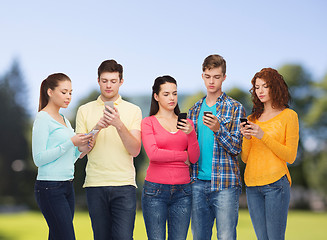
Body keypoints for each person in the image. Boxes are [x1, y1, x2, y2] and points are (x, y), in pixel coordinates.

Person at [75, 59, 142, 240]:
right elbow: (81, 150)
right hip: (95, 185)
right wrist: (97, 128)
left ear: (121, 82)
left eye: (113, 81)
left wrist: (119, 125)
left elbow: (135, 150)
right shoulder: (84, 110)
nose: (108, 85)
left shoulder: (133, 110)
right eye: (104, 81)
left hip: (124, 185)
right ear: (98, 81)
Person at [188, 54, 246, 240]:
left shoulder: (235, 108)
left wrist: (218, 129)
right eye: (208, 76)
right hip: (197, 183)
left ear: (224, 77)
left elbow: (237, 148)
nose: (211, 81)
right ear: (202, 76)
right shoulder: (194, 109)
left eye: (216, 77)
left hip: (226, 185)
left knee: (226, 237)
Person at [240, 68, 299, 240]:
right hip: (252, 186)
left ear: (276, 87)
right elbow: (245, 158)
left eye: (265, 86)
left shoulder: (289, 116)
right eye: (257, 87)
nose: (260, 91)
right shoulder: (252, 119)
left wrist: (262, 136)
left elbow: (290, 156)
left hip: (276, 186)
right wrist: (246, 137)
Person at [32, 73, 92, 240]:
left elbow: (68, 157)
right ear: (50, 92)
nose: (68, 97)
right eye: (64, 92)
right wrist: (71, 142)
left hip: (67, 185)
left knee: (58, 236)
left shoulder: (65, 120)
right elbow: (38, 158)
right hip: (49, 187)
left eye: (71, 93)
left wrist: (82, 150)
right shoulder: (42, 118)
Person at [141, 75, 200, 240]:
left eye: (174, 93)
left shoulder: (187, 123)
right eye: (166, 94)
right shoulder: (148, 122)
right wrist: (183, 155)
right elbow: (153, 154)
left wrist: (191, 134)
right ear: (156, 96)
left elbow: (194, 158)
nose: (172, 98)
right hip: (155, 191)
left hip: (183, 191)